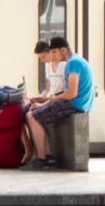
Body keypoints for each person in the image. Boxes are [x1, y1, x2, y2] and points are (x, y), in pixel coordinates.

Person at [23, 35, 92, 169]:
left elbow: (72, 93)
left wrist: (49, 100)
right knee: (35, 113)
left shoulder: (73, 63)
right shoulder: (75, 60)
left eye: (54, 52)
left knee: (31, 116)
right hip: (75, 102)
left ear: (63, 50)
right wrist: (47, 100)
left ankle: (42, 158)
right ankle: (47, 157)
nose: (52, 56)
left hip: (75, 104)